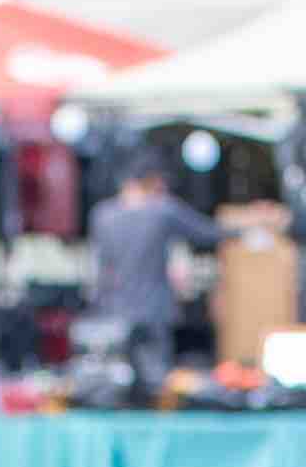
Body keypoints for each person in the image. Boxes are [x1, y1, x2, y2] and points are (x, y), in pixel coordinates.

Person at [81, 152, 219, 384]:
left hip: (114, 309)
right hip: (154, 309)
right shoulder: (163, 211)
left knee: (117, 381)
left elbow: (99, 266)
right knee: (157, 381)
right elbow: (207, 233)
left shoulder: (102, 215)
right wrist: (251, 229)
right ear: (153, 181)